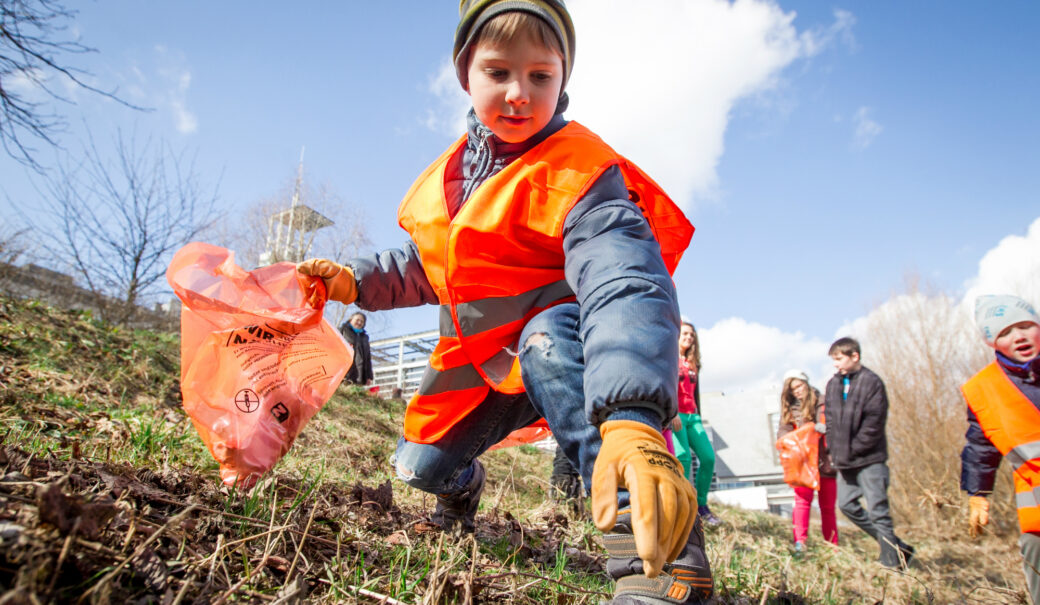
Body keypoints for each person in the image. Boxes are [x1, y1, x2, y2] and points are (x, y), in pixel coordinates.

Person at [296, 2, 712, 602]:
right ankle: (460, 489)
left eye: (540, 76)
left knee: (553, 349)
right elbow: (426, 266)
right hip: (484, 362)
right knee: (419, 465)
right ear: (466, 73)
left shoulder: (583, 171)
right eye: (498, 72)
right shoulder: (454, 175)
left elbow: (624, 277)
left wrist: (633, 413)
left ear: (563, 78)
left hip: (563, 350)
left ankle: (667, 563)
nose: (519, 93)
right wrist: (352, 281)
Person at [960, 295, 1040, 604]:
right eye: (1004, 332)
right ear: (992, 342)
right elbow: (980, 446)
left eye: (1024, 326)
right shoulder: (984, 388)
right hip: (1035, 496)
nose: (1017, 336)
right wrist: (978, 495)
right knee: (1033, 548)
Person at [825, 336, 914, 569]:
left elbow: (874, 423)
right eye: (833, 360)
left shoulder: (872, 382)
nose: (836, 365)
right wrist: (833, 450)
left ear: (855, 356)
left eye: (839, 359)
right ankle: (897, 547)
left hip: (870, 460)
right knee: (846, 506)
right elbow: (831, 422)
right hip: (843, 461)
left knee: (878, 512)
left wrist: (852, 450)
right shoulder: (833, 384)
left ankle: (891, 564)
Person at [777, 370, 838, 551]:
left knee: (827, 507)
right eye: (792, 389)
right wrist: (797, 436)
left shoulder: (824, 402)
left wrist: (825, 428)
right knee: (802, 503)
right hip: (803, 463)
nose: (796, 391)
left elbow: (836, 423)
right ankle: (800, 543)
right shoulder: (790, 409)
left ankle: (832, 545)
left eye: (799, 385)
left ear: (806, 383)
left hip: (825, 460)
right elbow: (783, 432)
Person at [671, 320, 720, 526]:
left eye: (692, 335)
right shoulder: (670, 356)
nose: (688, 338)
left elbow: (695, 392)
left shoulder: (693, 362)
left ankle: (701, 505)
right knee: (683, 458)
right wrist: (671, 411)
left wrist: (698, 412)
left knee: (708, 458)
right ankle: (682, 505)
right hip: (677, 414)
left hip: (693, 416)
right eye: (685, 334)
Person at [339, 311, 373, 385]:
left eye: (362, 321)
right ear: (351, 319)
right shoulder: (343, 330)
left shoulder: (364, 338)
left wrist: (369, 376)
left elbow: (367, 358)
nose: (359, 322)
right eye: (357, 320)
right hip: (344, 370)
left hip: (359, 373)